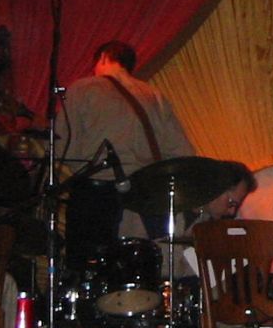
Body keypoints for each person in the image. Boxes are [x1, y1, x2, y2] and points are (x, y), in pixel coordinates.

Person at [57, 40, 194, 260]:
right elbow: (181, 150)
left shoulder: (84, 88)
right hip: (144, 196)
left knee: (88, 264)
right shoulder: (154, 95)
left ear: (103, 57)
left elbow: (64, 146)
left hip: (97, 195)